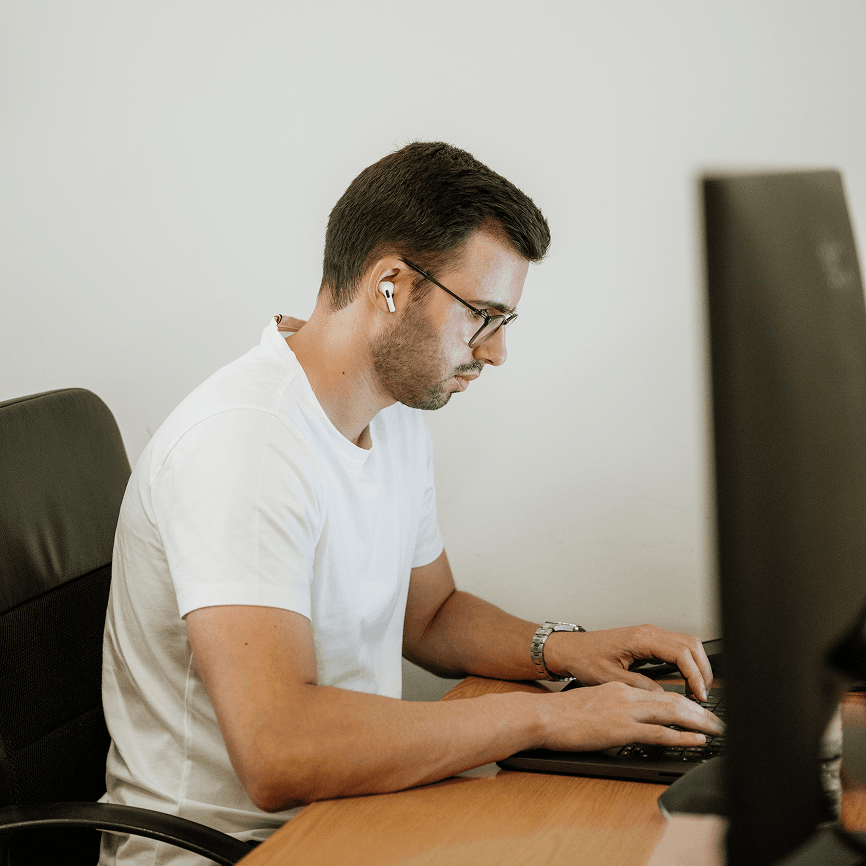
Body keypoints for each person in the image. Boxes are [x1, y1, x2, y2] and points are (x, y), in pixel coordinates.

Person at [100, 142, 722, 865]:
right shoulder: (244, 445)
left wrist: (563, 649)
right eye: (481, 316)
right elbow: (280, 750)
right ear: (390, 284)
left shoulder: (390, 417)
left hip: (347, 814)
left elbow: (428, 614)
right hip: (228, 849)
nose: (494, 354)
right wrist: (547, 718)